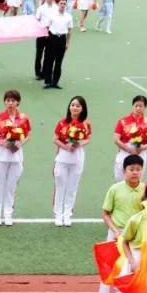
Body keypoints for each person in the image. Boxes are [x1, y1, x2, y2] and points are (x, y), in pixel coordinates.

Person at [97, 154, 145, 293]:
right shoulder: (115, 189)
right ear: (124, 171)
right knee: (110, 271)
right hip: (116, 234)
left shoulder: (145, 190)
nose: (135, 173)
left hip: (135, 237)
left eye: (138, 169)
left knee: (127, 273)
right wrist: (115, 230)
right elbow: (106, 214)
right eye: (131, 169)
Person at [0, 89, 31, 226]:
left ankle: (8, 213)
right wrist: (2, 143)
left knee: (11, 186)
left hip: (16, 156)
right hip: (1, 156)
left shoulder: (24, 118)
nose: (10, 103)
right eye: (7, 100)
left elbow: (28, 135)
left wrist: (20, 143)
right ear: (4, 102)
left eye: (13, 100)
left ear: (18, 102)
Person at [51, 96, 91, 226]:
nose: (75, 108)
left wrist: (78, 144)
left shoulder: (86, 123)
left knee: (72, 187)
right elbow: (55, 139)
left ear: (82, 109)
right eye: (73, 105)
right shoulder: (62, 122)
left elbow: (87, 138)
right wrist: (65, 146)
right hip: (62, 158)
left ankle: (67, 214)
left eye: (78, 106)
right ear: (69, 107)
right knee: (60, 186)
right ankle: (58, 214)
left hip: (77, 158)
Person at [112, 95, 147, 180]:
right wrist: (129, 150)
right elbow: (116, 140)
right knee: (120, 178)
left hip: (141, 153)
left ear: (145, 107)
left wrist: (142, 148)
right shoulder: (123, 121)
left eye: (141, 106)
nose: (138, 108)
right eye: (136, 106)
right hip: (125, 152)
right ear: (133, 106)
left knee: (137, 179)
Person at [42, 0, 72, 89]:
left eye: (64, 4)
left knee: (59, 62)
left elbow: (70, 30)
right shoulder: (52, 15)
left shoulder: (68, 16)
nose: (62, 5)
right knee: (49, 61)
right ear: (58, 4)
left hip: (62, 39)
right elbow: (46, 26)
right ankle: (47, 82)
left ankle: (55, 82)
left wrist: (67, 43)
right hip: (52, 38)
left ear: (66, 5)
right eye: (61, 3)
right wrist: (47, 36)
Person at [32, 0, 56, 82]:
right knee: (39, 53)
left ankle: (45, 72)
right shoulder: (41, 8)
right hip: (41, 33)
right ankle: (38, 73)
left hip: (52, 33)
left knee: (48, 54)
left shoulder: (56, 8)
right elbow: (37, 20)